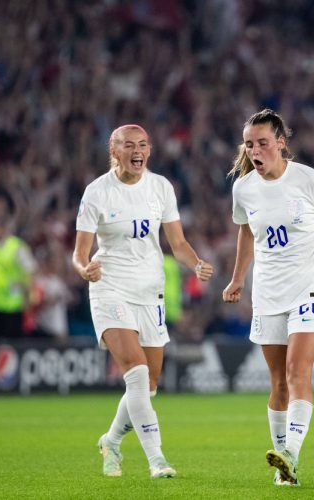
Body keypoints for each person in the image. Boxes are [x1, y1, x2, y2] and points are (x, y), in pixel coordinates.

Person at [222, 109, 314, 487]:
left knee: (299, 371)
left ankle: (291, 453)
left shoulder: (312, 181)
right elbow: (246, 233)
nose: (255, 151)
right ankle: (286, 467)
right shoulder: (244, 188)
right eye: (249, 144)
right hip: (268, 293)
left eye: (263, 143)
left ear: (281, 142)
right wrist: (237, 279)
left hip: (310, 288)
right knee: (278, 382)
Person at [72, 124, 214, 479]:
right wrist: (83, 269)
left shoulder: (161, 187)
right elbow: (78, 253)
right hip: (110, 289)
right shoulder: (97, 192)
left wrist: (196, 263)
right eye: (129, 145)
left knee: (148, 385)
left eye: (143, 145)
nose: (138, 151)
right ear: (114, 150)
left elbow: (177, 244)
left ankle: (111, 440)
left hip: (150, 294)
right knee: (136, 376)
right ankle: (157, 460)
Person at [0, 215, 37, 339]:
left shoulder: (16, 246)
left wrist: (28, 296)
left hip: (12, 303)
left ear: (2, 227)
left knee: (13, 341)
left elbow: (30, 271)